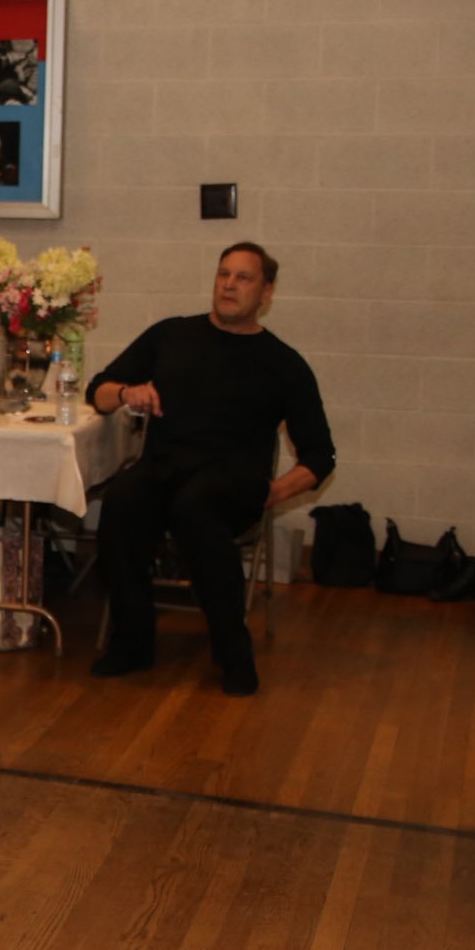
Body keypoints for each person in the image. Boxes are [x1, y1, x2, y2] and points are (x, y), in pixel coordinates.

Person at [87, 241, 334, 697]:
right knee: (122, 501)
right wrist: (125, 393)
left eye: (243, 277)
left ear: (266, 292)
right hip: (165, 467)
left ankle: (234, 654)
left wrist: (276, 492)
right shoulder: (172, 335)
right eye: (224, 274)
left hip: (233, 480)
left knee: (195, 508)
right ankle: (132, 642)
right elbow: (97, 391)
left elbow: (321, 455)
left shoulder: (283, 364)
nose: (229, 285)